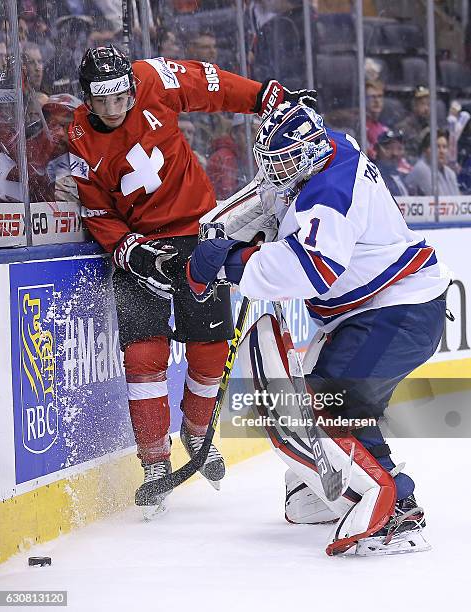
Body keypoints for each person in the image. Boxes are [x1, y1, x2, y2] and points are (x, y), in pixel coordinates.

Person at [187, 102, 450, 555]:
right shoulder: (333, 144)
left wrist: (231, 262)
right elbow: (275, 198)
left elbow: (311, 267)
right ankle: (330, 489)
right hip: (367, 312)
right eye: (271, 160)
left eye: (285, 162)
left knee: (329, 400)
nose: (275, 172)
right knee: (327, 402)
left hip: (399, 310)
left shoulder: (329, 192)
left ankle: (397, 509)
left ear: (310, 155)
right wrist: (224, 230)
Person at [68, 45, 317, 517]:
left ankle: (198, 431)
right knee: (143, 353)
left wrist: (265, 97)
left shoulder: (153, 79)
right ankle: (155, 462)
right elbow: (97, 209)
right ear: (88, 100)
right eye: (103, 101)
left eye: (121, 97)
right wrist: (127, 248)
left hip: (197, 234)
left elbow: (211, 84)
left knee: (211, 350)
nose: (116, 109)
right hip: (139, 247)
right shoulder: (79, 138)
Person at [406, 128, 461, 196]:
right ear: (426, 150)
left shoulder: (450, 173)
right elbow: (439, 200)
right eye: (437, 147)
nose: (442, 151)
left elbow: (457, 199)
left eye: (444, 147)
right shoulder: (421, 169)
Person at [397, 85, 431, 164]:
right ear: (414, 105)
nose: (426, 108)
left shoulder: (432, 129)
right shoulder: (402, 128)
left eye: (428, 104)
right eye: (423, 104)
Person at [374, 129, 409, 196]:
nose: (395, 153)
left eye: (399, 148)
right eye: (388, 148)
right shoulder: (375, 177)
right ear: (377, 149)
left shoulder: (400, 175)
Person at [365, 79, 388, 159]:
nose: (377, 101)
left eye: (380, 96)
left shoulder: (384, 127)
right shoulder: (359, 127)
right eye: (372, 97)